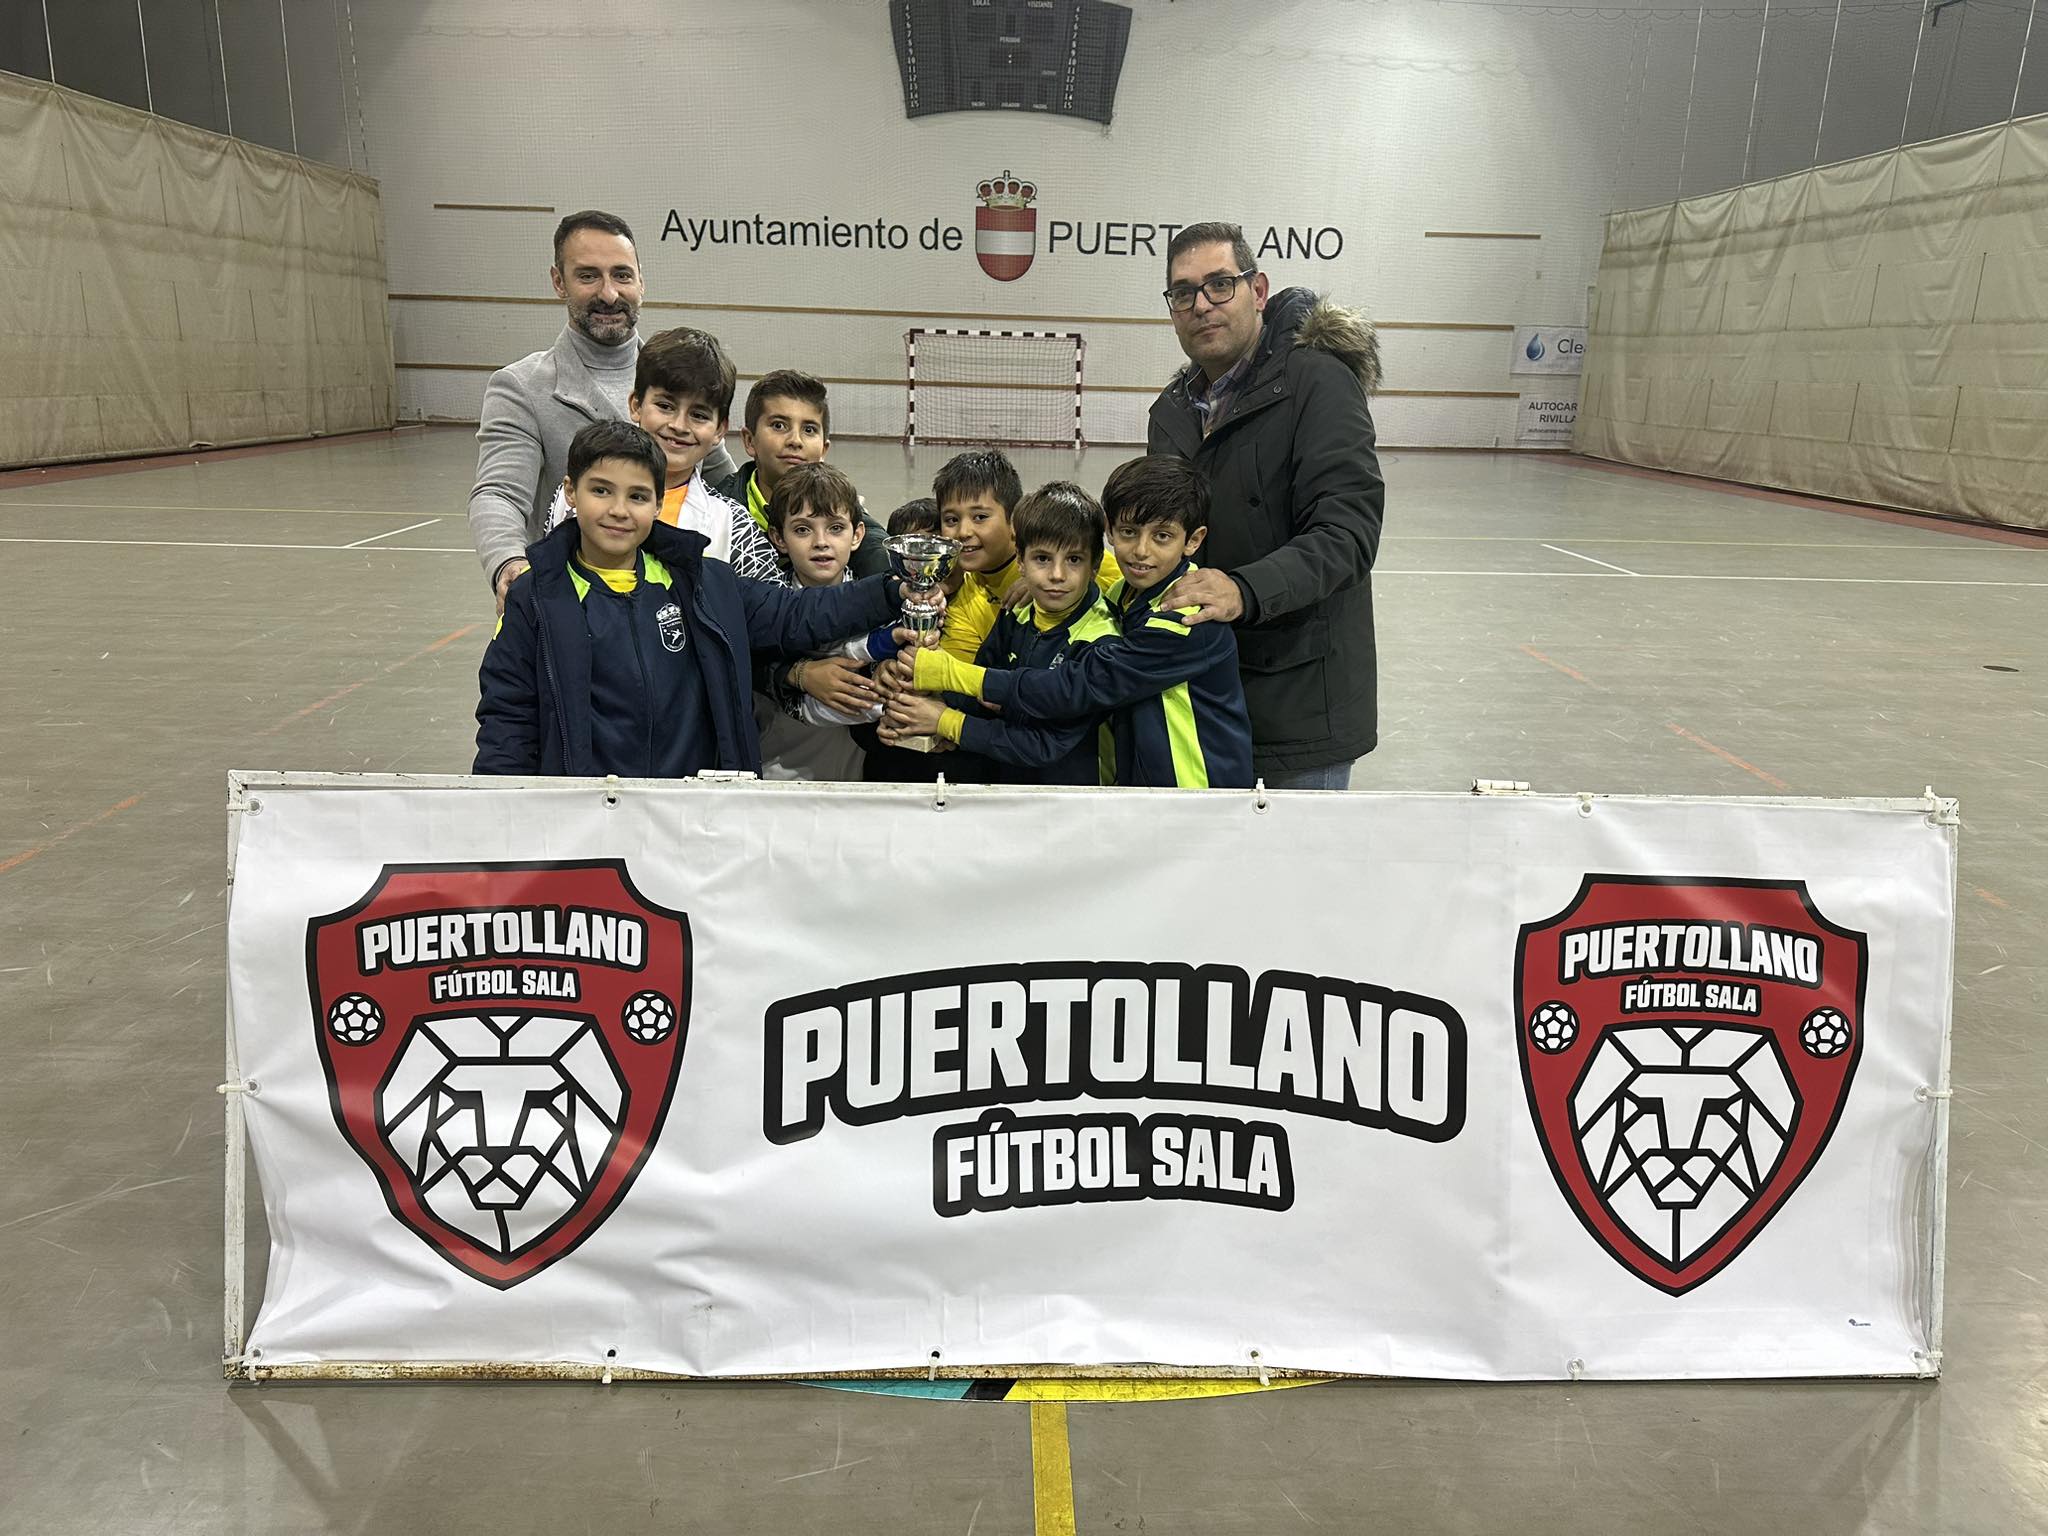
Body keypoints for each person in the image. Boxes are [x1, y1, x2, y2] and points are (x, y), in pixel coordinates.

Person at [473, 421, 903, 777]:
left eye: (638, 496)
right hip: (589, 815)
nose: (619, 510)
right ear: (571, 491)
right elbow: (507, 716)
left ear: (659, 502)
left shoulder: (703, 583)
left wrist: (894, 588)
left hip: (692, 814)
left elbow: (796, 613)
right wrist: (501, 814)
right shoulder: (534, 598)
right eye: (601, 490)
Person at [1147, 221, 1384, 789]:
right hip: (1203, 700)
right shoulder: (1170, 412)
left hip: (1299, 706)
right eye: (1184, 292)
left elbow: (1347, 533)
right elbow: (1158, 534)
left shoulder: (1318, 382)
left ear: (1258, 292)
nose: (1202, 304)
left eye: (1219, 285)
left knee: (1295, 877)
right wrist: (1064, 566)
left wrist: (1243, 589)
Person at [893, 456, 1252, 790]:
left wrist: (949, 691)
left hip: (1199, 798)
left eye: (1162, 536)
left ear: (1193, 540)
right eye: (1129, 532)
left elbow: (1075, 687)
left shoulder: (1189, 616)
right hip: (1141, 795)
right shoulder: (1118, 595)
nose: (1141, 551)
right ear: (1111, 532)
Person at [468, 210, 737, 612]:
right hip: (577, 606)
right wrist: (509, 562)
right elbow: (500, 493)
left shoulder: (681, 380)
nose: (609, 294)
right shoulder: (521, 387)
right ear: (559, 282)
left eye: (622, 275)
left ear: (641, 280)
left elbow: (730, 485)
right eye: (588, 275)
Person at [880, 482, 1117, 785]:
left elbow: (1045, 746)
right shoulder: (1016, 611)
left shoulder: (1101, 641)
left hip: (1072, 801)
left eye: (1074, 560)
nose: (1057, 575)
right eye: (1042, 559)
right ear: (1021, 561)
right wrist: (916, 711)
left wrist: (946, 721)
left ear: (1095, 564)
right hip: (1004, 785)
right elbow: (981, 689)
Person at [544, 328, 778, 580]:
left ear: (720, 429)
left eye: (698, 415)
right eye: (665, 406)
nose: (679, 425)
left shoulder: (734, 525)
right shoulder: (570, 497)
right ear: (636, 405)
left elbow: (772, 612)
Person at [754, 464, 905, 781]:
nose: (821, 542)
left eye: (835, 528)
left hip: (857, 780)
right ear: (778, 538)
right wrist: (797, 674)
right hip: (775, 775)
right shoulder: (766, 609)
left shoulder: (884, 607)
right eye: (802, 530)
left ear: (857, 535)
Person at [934, 449, 1118, 662]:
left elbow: (1139, 593)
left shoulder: (1070, 550)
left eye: (980, 517)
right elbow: (960, 675)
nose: (963, 532)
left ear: (1014, 520)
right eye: (951, 520)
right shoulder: (962, 602)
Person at [712, 371, 889, 577]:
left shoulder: (844, 507)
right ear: (750, 441)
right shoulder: (718, 509)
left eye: (809, 429)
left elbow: (876, 545)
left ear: (824, 449)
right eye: (779, 425)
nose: (795, 440)